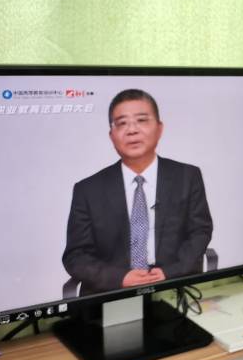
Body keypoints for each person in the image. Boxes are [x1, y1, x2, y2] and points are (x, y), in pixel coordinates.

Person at [62, 89, 213, 295]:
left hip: (172, 286)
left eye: (141, 120)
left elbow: (200, 232)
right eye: (122, 123)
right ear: (111, 136)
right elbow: (76, 256)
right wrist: (120, 278)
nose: (132, 130)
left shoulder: (187, 176)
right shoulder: (88, 189)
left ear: (159, 128)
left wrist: (170, 273)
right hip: (111, 292)